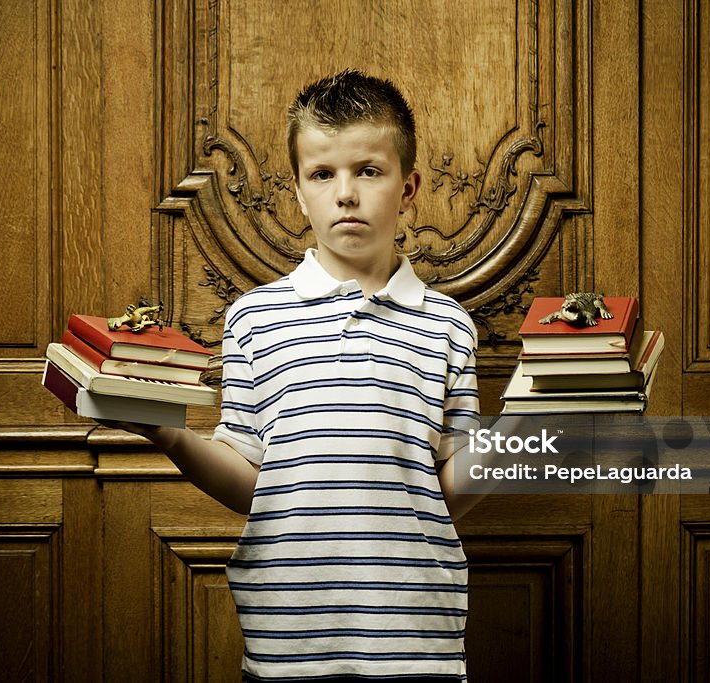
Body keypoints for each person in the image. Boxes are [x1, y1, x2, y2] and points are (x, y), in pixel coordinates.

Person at [118, 69, 481, 682]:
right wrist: (170, 437)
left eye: (368, 170)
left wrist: (539, 421)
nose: (346, 193)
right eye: (323, 174)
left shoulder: (449, 325)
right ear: (297, 189)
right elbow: (249, 480)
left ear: (409, 186)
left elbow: (449, 491)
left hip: (416, 643)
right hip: (288, 643)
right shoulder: (253, 319)